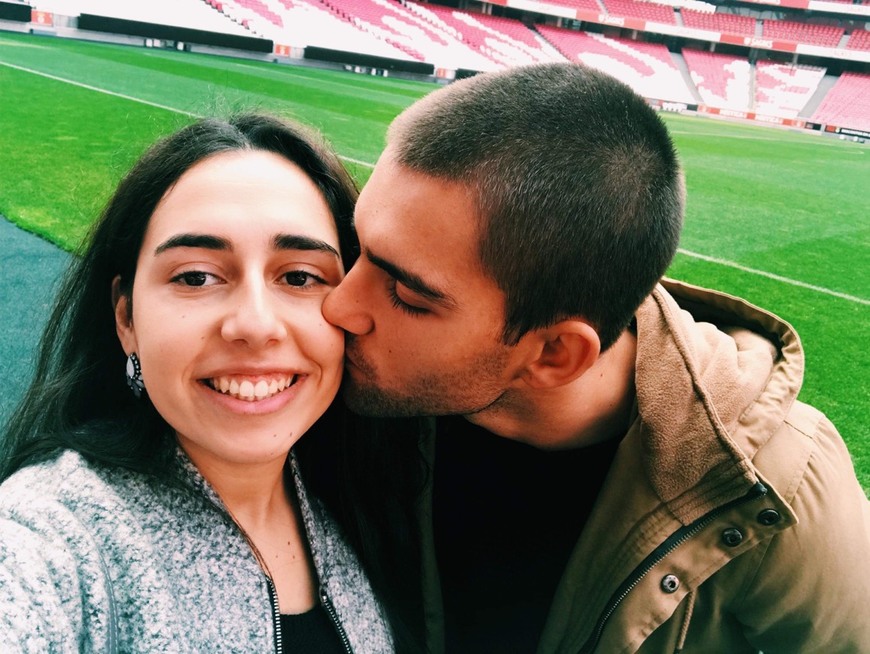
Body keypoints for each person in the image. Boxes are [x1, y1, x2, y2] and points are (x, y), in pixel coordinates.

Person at [321, 63, 870, 653]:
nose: (338, 307)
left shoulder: (777, 484)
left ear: (555, 353)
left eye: (406, 295)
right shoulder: (344, 388)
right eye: (358, 251)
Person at [0, 114, 393, 652]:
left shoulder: (366, 499)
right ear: (126, 318)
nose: (255, 325)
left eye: (300, 277)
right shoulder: (51, 538)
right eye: (195, 277)